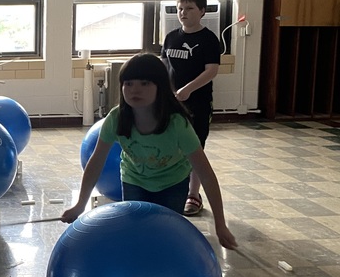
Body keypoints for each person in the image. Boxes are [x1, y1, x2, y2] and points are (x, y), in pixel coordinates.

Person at [61, 52, 237, 250]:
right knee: (137, 233)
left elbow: (205, 173)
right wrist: (80, 205)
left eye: (145, 83)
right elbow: (96, 161)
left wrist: (220, 224)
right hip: (134, 180)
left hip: (173, 183)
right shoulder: (116, 118)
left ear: (160, 87)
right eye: (128, 83)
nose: (135, 90)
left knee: (166, 236)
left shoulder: (177, 124)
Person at [161, 0, 221, 217]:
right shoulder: (171, 37)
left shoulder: (209, 39)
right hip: (172, 102)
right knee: (171, 146)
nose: (183, 13)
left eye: (189, 8)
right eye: (180, 9)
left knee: (195, 148)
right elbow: (164, 67)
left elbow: (211, 70)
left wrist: (188, 89)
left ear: (202, 11)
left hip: (198, 103)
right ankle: (170, 188)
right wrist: (166, 91)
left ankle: (193, 194)